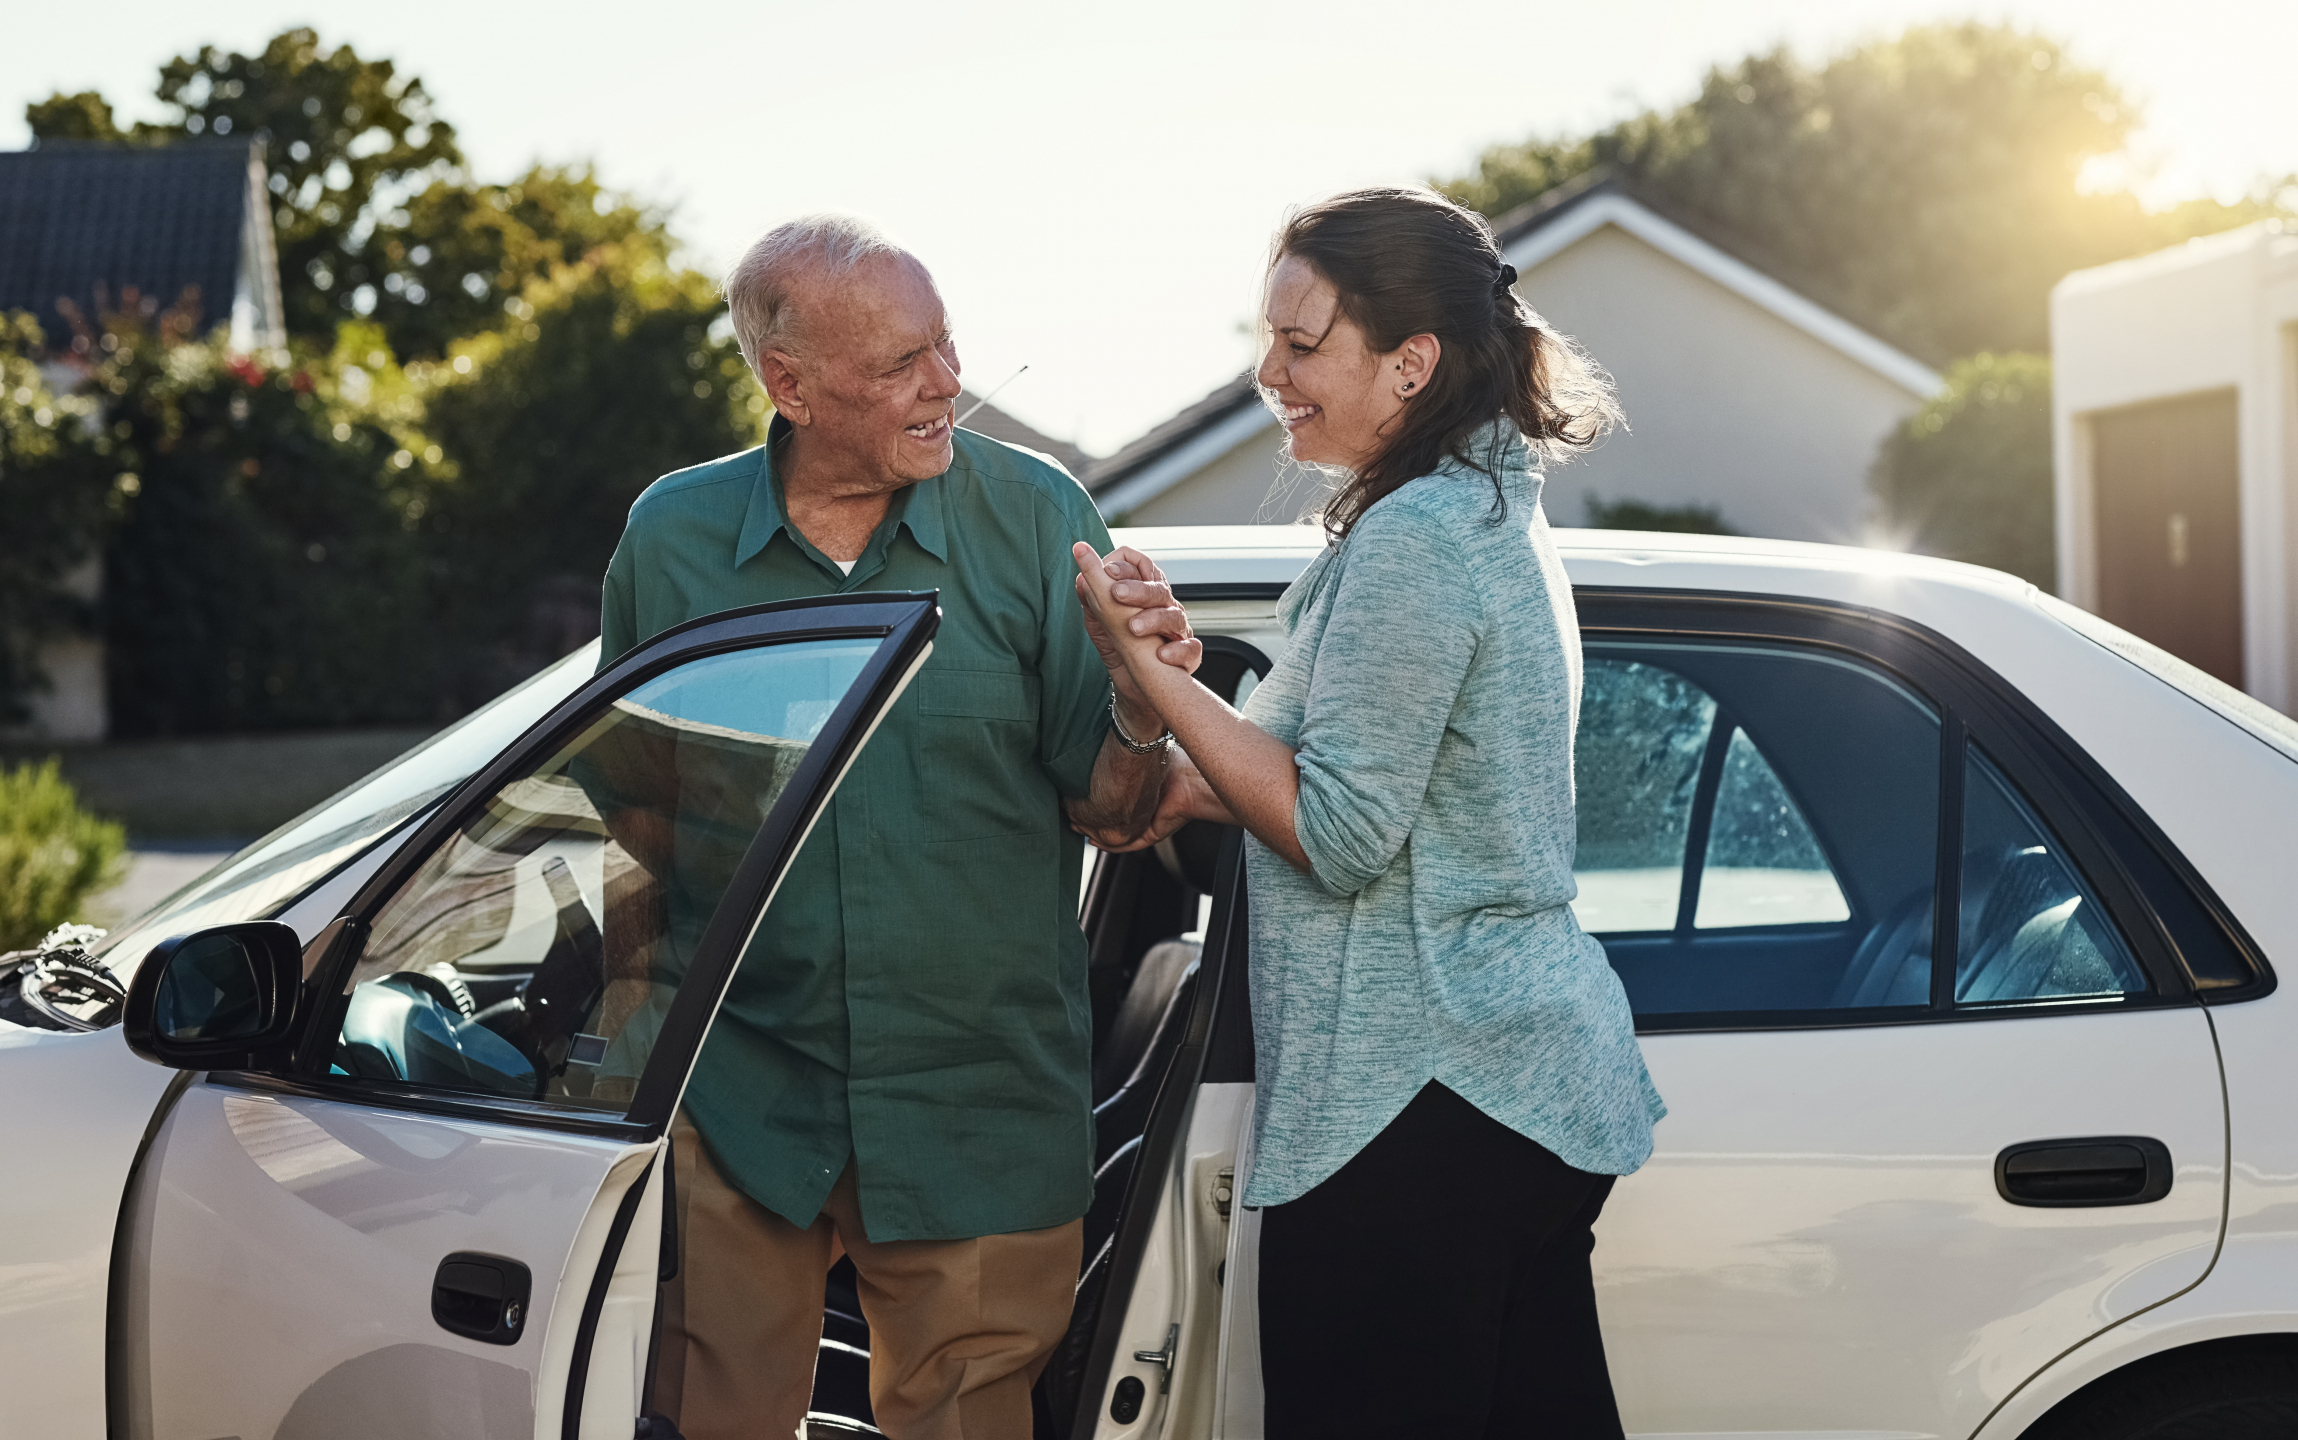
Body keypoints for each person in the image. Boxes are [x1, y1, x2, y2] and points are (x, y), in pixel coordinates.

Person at [1072, 187, 1666, 1438]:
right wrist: (1183, 746)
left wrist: (1162, 680)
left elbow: (1339, 832)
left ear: (1412, 363)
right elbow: (1358, 782)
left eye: (1302, 346)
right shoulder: (1470, 510)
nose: (1267, 374)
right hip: (1507, 1090)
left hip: (1426, 1099)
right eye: (1267, 339)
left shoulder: (1423, 539)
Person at [598, 214, 1190, 1440]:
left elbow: (1115, 812)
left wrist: (1141, 705)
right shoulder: (672, 539)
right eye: (902, 366)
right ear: (790, 384)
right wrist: (629, 1065)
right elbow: (632, 813)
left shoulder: (1036, 518)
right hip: (743, 1101)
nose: (948, 386)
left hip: (977, 1104)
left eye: (947, 345)